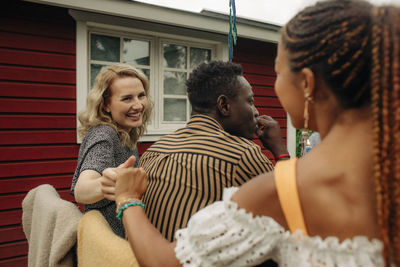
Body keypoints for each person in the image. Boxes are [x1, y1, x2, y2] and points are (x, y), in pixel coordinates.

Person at [112, 0, 399, 265]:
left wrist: (126, 199)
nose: (259, 103)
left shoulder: (280, 190)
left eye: (278, 72)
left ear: (308, 84)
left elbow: (168, 261)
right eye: (250, 100)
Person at [135, 60, 289, 242]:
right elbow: (292, 210)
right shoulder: (241, 154)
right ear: (224, 106)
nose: (256, 112)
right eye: (250, 101)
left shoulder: (153, 151)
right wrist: (280, 150)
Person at [70, 63, 152, 237]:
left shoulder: (125, 133)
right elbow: (81, 190)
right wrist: (104, 185)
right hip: (106, 245)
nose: (138, 105)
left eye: (141, 95)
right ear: (105, 104)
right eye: (127, 98)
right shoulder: (104, 134)